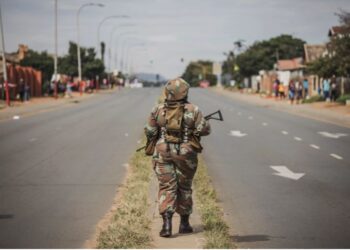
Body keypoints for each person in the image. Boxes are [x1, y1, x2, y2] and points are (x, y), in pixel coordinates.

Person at [144, 78, 211, 237]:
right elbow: (205, 130)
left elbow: (150, 131)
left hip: (162, 152)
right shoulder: (193, 109)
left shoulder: (158, 109)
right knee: (185, 187)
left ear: (168, 92)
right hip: (185, 153)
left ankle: (166, 226)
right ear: (185, 92)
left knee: (167, 186)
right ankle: (184, 224)